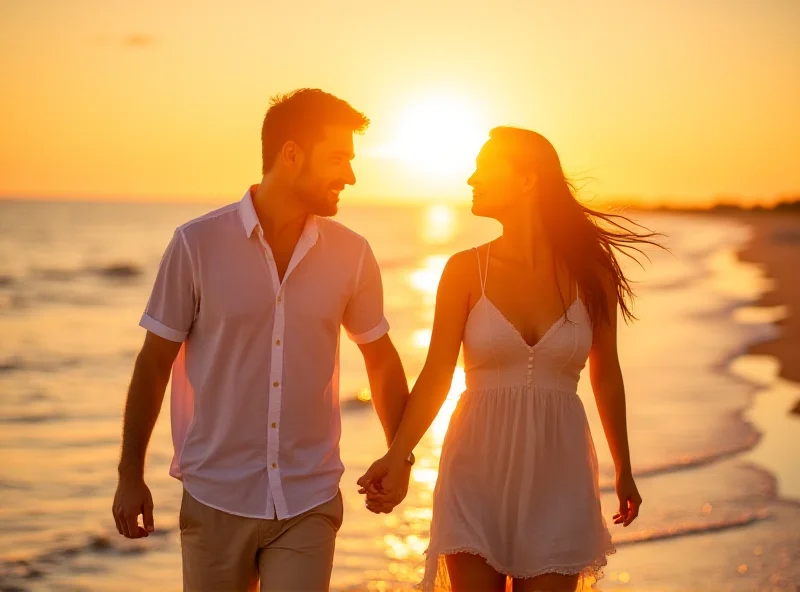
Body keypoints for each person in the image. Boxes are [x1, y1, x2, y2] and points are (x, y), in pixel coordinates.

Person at [112, 88, 412, 592]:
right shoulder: (197, 244)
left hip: (308, 499)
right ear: (291, 154)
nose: (351, 176)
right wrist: (129, 474)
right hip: (215, 497)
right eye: (338, 158)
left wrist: (399, 456)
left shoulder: (352, 254)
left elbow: (380, 360)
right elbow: (154, 362)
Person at [358, 127, 659, 591]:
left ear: (526, 180)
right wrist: (399, 455)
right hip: (474, 474)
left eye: (484, 167)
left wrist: (624, 469)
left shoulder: (590, 275)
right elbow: (438, 372)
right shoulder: (464, 270)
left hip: (559, 474)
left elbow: (606, 374)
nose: (470, 178)